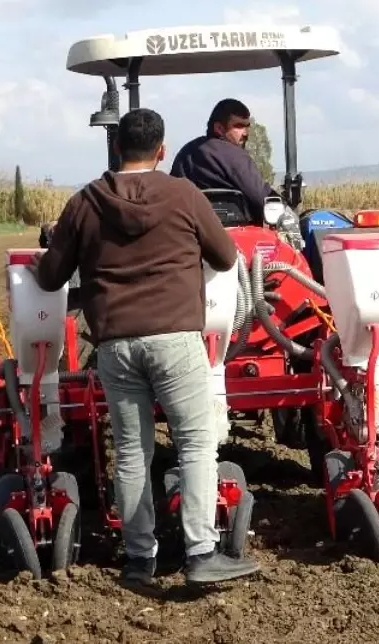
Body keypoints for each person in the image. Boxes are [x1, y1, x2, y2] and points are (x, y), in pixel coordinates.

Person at [28, 107, 261, 588]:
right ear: (162, 150)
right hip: (176, 339)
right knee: (194, 443)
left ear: (116, 149)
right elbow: (225, 255)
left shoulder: (85, 203)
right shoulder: (183, 194)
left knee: (133, 452)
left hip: (115, 343)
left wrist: (39, 265)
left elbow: (52, 276)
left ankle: (139, 559)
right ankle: (200, 553)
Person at [170, 98, 304, 249]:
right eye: (239, 126)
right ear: (219, 128)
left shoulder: (185, 153)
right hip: (240, 241)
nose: (246, 133)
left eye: (247, 126)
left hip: (191, 240)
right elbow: (262, 197)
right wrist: (286, 209)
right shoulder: (234, 155)